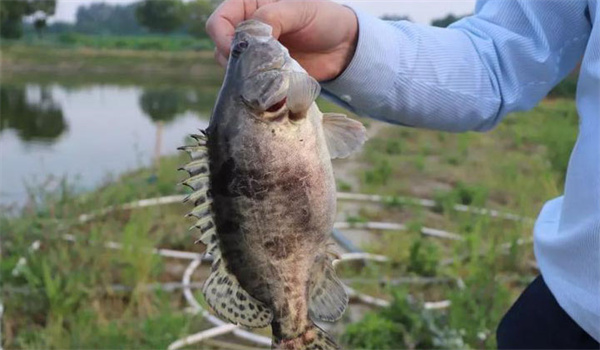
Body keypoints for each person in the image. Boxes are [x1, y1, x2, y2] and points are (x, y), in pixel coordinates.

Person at [205, 0, 600, 348]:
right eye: (242, 52)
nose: (246, 43)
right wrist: (348, 46)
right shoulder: (279, 107)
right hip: (568, 311)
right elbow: (497, 58)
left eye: (242, 51)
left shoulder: (277, 107)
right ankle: (295, 331)